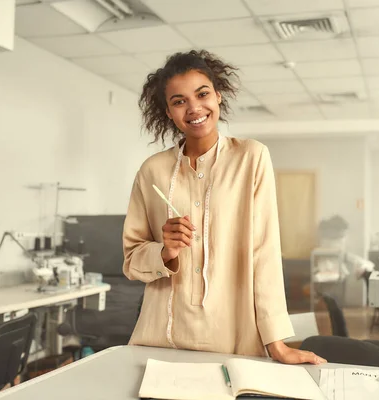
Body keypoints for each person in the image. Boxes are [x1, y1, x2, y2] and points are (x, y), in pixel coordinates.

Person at [122, 50, 325, 365]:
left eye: (202, 94)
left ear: (218, 96)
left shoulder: (251, 157)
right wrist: (165, 252)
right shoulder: (152, 172)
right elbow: (132, 260)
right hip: (160, 341)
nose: (194, 108)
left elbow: (264, 254)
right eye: (179, 101)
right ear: (169, 111)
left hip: (234, 341)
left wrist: (277, 343)